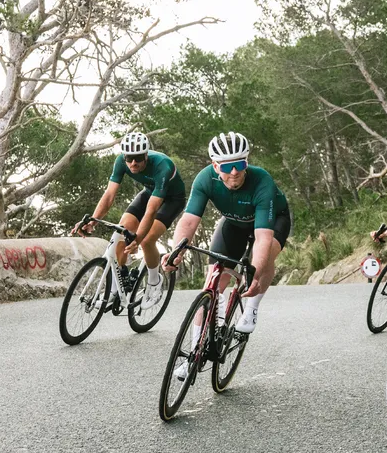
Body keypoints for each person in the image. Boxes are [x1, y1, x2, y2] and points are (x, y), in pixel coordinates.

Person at [164, 131, 291, 339]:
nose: (234, 172)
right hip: (234, 224)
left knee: (264, 257)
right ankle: (194, 351)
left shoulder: (262, 181)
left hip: (273, 221)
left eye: (239, 165)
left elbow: (263, 238)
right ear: (215, 166)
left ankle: (251, 309)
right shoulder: (205, 179)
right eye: (226, 166)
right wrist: (175, 252)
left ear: (246, 163)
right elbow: (188, 221)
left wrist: (254, 274)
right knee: (211, 285)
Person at [73, 132, 187, 309]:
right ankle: (116, 286)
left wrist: (138, 239)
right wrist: (93, 221)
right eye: (129, 158)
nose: (133, 163)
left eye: (138, 158)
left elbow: (152, 209)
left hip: (172, 200)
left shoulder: (162, 166)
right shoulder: (120, 162)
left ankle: (155, 282)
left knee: (147, 239)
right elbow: (109, 195)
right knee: (121, 230)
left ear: (146, 155)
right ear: (124, 156)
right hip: (149, 192)